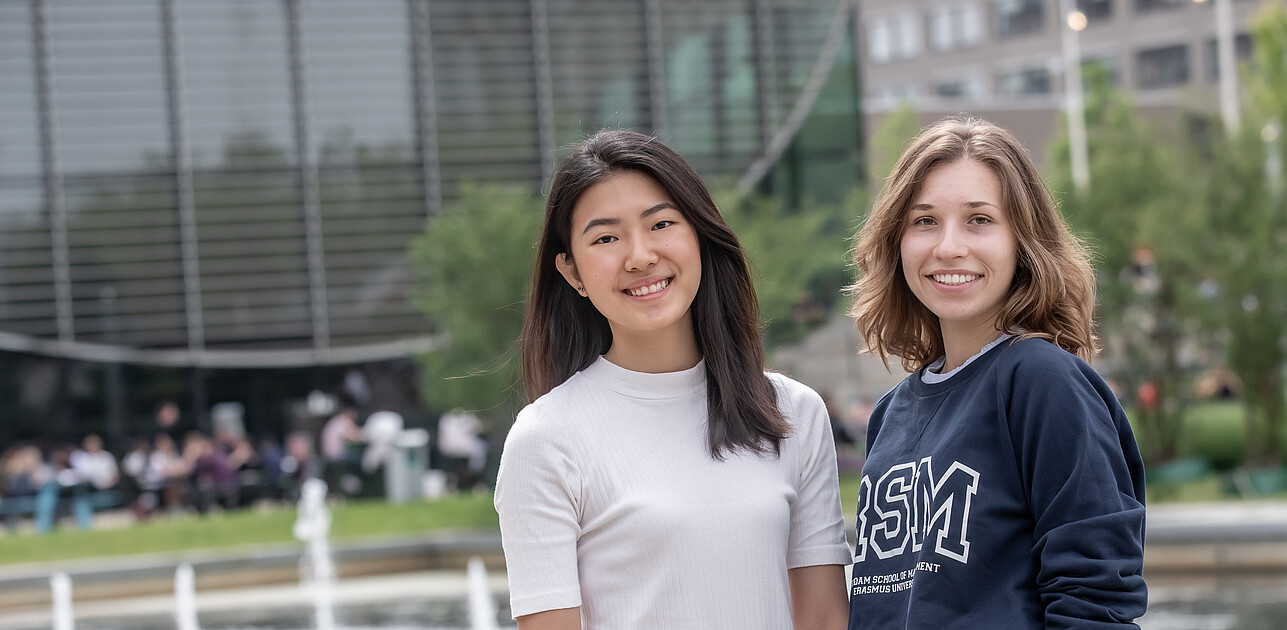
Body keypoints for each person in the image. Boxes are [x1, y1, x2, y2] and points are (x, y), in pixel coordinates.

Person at [494, 129, 851, 630]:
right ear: (572, 272)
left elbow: (824, 617)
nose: (639, 256)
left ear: (699, 237)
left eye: (661, 223)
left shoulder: (792, 413)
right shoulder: (547, 439)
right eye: (605, 238)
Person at [844, 115, 1147, 628]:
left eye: (979, 220)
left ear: (1021, 241)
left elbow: (1096, 597)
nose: (949, 246)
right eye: (925, 221)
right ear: (897, 241)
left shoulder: (1044, 382)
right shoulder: (890, 413)